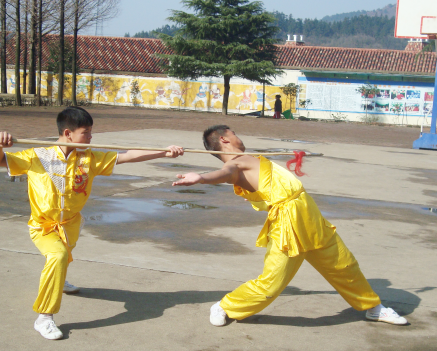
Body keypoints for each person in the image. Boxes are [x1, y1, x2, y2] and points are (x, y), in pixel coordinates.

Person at [172, 125, 407, 327]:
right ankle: (225, 306)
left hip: (310, 217)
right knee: (272, 282)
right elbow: (225, 172)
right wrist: (202, 178)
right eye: (234, 134)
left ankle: (373, 307)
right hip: (288, 227)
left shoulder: (251, 160)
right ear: (224, 139)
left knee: (344, 265)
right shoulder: (237, 163)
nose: (239, 138)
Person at [0, 106, 184, 340]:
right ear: (68, 133)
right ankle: (44, 317)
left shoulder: (89, 158)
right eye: (87, 132)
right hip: (43, 226)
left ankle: (59, 280)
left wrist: (164, 152)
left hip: (71, 224)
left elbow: (127, 156)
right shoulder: (36, 156)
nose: (91, 137)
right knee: (57, 256)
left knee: (62, 256)